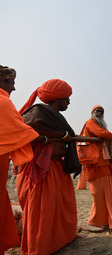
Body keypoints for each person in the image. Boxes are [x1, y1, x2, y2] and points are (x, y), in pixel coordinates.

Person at [17, 79, 82, 255]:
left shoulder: (55, 116)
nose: (68, 103)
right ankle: (40, 246)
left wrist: (64, 136)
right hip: (41, 167)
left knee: (61, 206)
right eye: (67, 99)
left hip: (57, 166)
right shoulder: (38, 111)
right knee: (43, 210)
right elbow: (29, 127)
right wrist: (60, 135)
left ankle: (60, 239)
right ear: (58, 98)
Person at [0, 65, 42, 254]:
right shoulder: (3, 102)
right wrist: (45, 137)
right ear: (3, 81)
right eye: (12, 83)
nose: (14, 88)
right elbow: (20, 129)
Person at [82, 105, 112, 232]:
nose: (99, 113)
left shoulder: (102, 127)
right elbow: (101, 134)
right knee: (98, 195)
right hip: (95, 164)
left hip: (104, 164)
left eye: (102, 111)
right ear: (92, 112)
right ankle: (93, 222)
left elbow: (106, 137)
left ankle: (104, 221)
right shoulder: (90, 123)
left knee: (106, 195)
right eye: (97, 111)